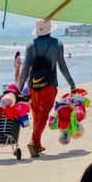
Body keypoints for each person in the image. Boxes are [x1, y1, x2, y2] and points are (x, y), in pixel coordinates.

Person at [17, 19, 75, 157]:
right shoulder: (57, 44)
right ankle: (33, 141)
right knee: (43, 116)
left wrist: (18, 89)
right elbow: (62, 66)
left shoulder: (31, 45)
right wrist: (71, 83)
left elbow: (25, 68)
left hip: (33, 86)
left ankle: (37, 144)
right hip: (49, 84)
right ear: (50, 29)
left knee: (37, 115)